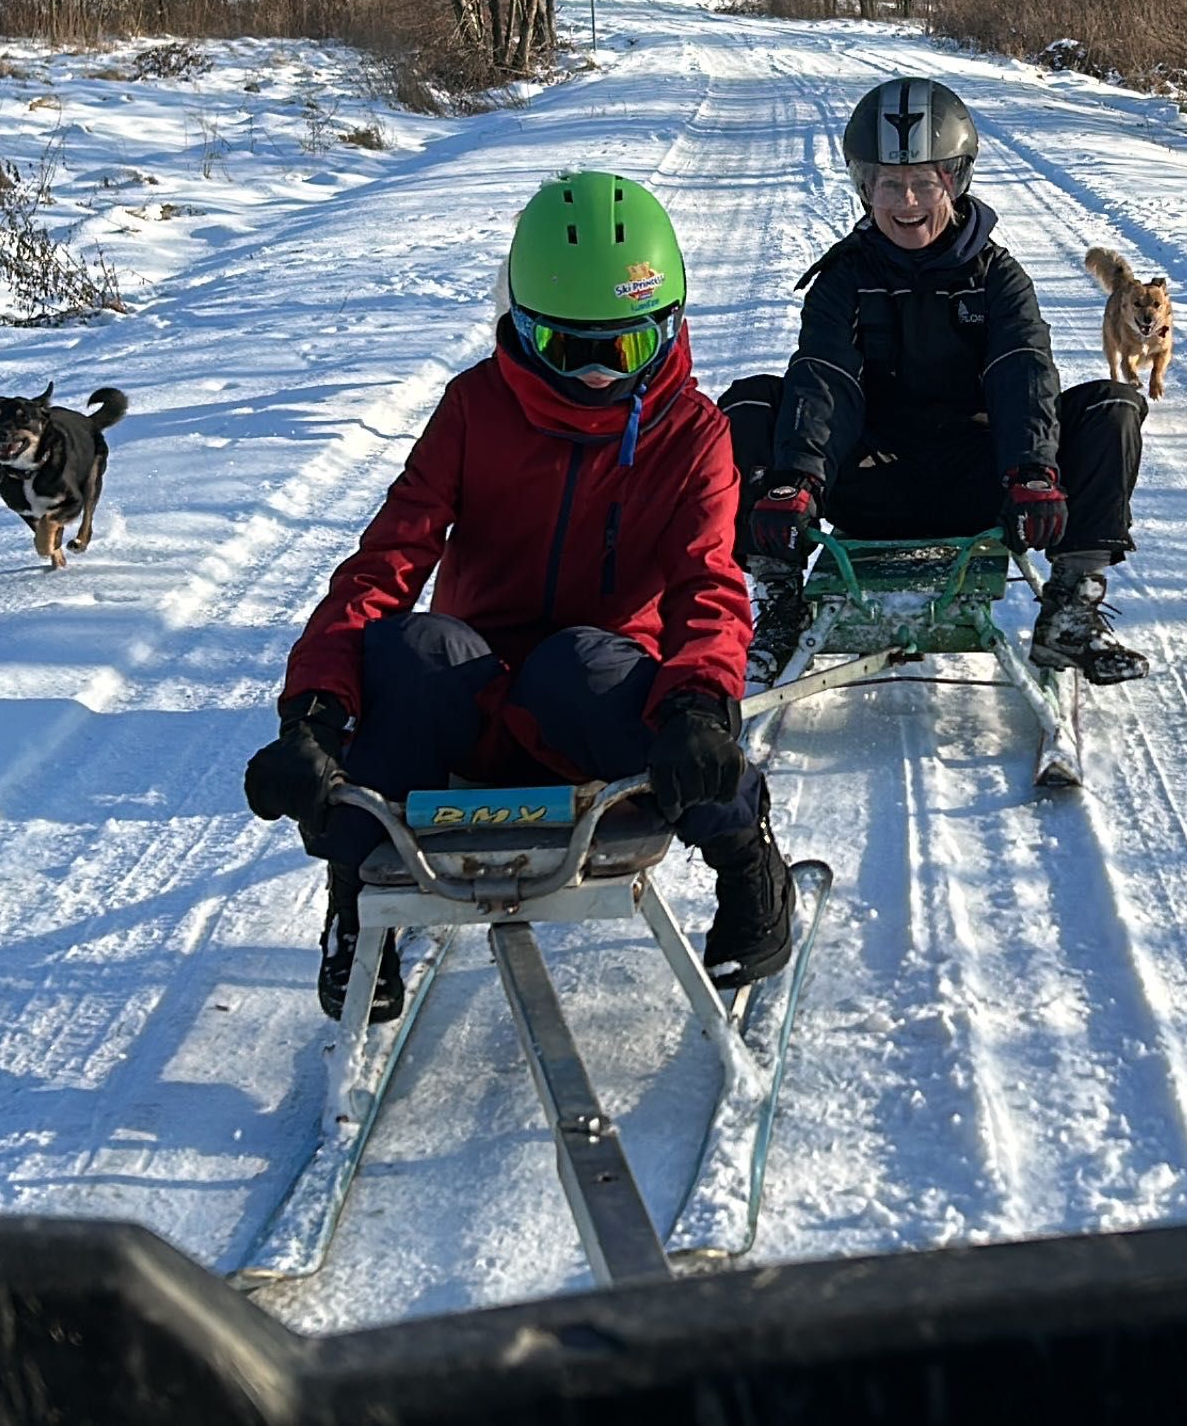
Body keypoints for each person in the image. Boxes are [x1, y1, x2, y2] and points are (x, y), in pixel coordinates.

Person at [241, 171, 787, 1023]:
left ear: (672, 325)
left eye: (630, 347)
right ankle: (357, 895)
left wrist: (700, 711)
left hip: (595, 709)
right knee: (415, 651)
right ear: (523, 329)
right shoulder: (474, 410)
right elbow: (382, 567)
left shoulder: (693, 434)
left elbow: (708, 587)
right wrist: (310, 718)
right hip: (476, 702)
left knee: (582, 664)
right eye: (575, 350)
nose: (604, 375)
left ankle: (748, 861)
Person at [723, 77, 1151, 692]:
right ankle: (780, 598)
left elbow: (1022, 368)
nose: (907, 201)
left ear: (955, 180)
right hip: (871, 484)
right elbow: (825, 377)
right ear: (864, 187)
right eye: (889, 184)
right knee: (749, 403)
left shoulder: (997, 276)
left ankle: (1072, 608)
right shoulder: (842, 279)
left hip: (982, 484)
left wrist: (1032, 470)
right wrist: (797, 481)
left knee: (1112, 405)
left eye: (925, 181)